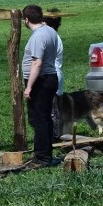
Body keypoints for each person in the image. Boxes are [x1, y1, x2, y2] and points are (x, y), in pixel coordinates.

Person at [22, 5, 61, 166]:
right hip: (49, 78)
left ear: (26, 20)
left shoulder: (38, 36)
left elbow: (37, 63)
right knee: (44, 117)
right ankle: (44, 154)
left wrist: (29, 86)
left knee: (39, 118)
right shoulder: (50, 31)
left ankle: (42, 157)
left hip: (41, 80)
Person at [43, 9, 65, 140]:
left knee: (52, 110)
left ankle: (54, 138)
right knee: (54, 109)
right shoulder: (55, 37)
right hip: (56, 74)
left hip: (51, 75)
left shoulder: (51, 38)